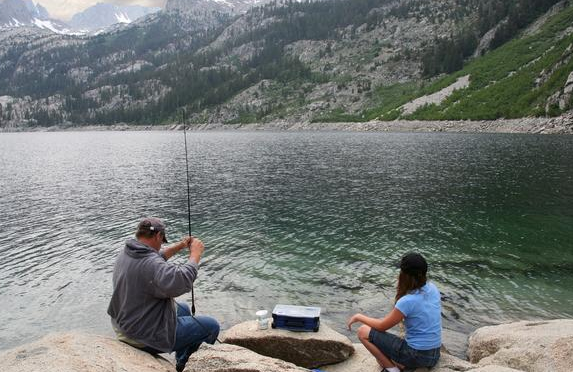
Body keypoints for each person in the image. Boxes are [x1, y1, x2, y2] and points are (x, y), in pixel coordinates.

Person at [108, 217, 219, 372]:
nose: (161, 244)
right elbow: (181, 281)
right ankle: (183, 364)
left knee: (184, 308)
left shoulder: (129, 252)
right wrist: (195, 255)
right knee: (211, 326)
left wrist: (180, 246)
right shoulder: (150, 263)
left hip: (124, 325)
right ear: (158, 236)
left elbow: (156, 257)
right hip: (143, 336)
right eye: (162, 240)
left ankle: (180, 359)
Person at [347, 252, 441, 371]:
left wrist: (359, 316)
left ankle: (392, 369)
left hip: (416, 355)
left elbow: (382, 326)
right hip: (434, 354)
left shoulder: (407, 301)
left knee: (363, 331)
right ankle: (405, 365)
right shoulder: (433, 288)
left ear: (405, 275)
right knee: (381, 355)